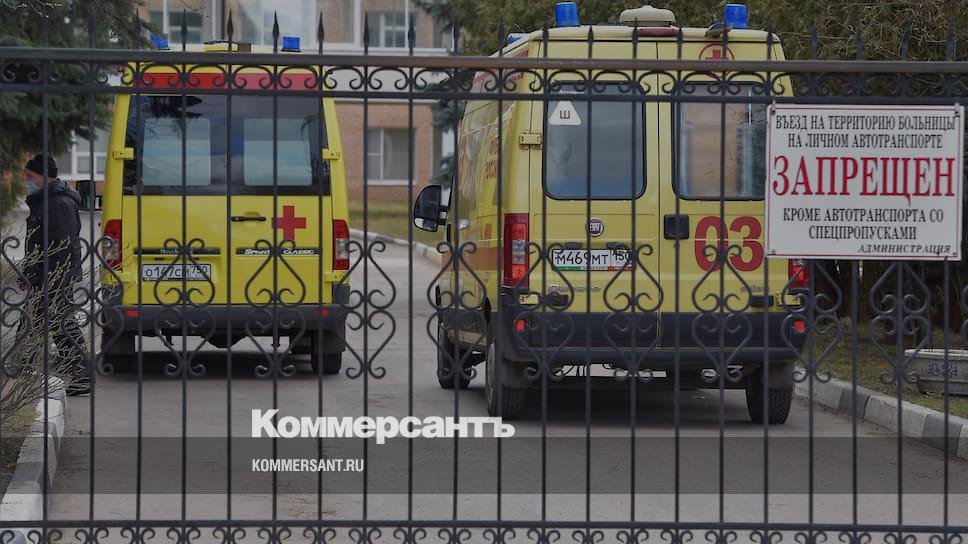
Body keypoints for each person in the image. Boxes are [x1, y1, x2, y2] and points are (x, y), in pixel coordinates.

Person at [20, 153, 90, 396]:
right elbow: (39, 244)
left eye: (29, 175)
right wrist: (28, 274)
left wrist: (51, 281)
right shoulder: (46, 200)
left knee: (60, 322)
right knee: (37, 321)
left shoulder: (59, 203)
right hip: (44, 276)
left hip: (54, 277)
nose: (26, 180)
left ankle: (81, 373)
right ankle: (22, 368)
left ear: (42, 176)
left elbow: (61, 246)